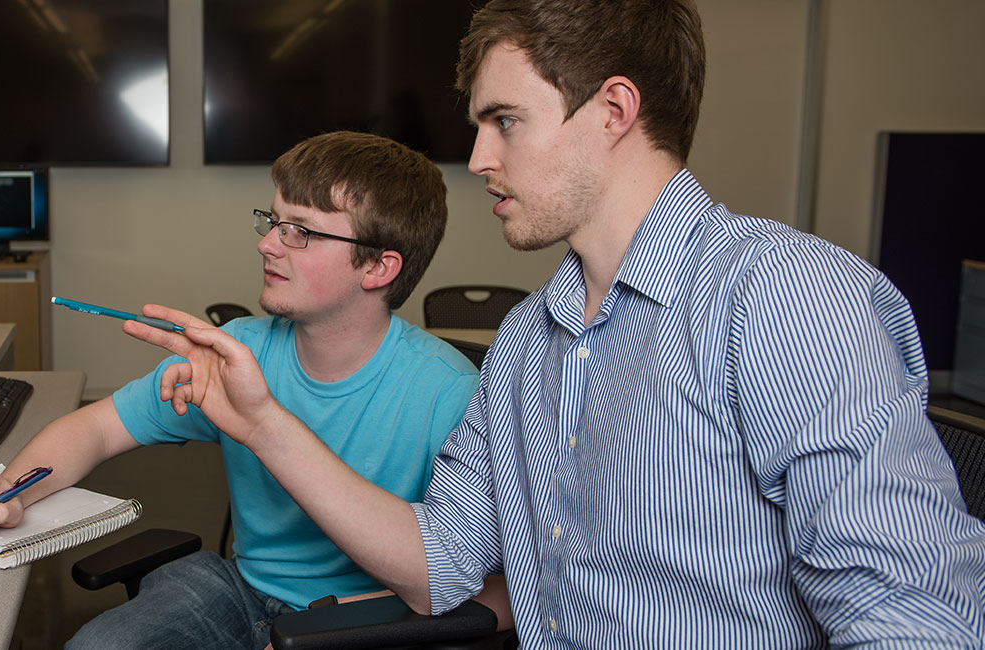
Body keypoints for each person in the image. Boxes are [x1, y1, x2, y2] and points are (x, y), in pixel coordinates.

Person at [123, 0, 985, 646]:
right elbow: (437, 567)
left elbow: (910, 619)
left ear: (613, 111)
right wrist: (264, 423)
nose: (478, 159)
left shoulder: (782, 299)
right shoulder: (529, 346)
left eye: (505, 121)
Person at [0, 131, 482, 649]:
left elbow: (476, 586)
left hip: (367, 612)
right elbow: (98, 427)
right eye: (273, 221)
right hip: (243, 589)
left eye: (300, 230)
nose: (267, 243)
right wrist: (8, 492)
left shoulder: (448, 392)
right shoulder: (240, 352)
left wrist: (339, 632)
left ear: (378, 267)